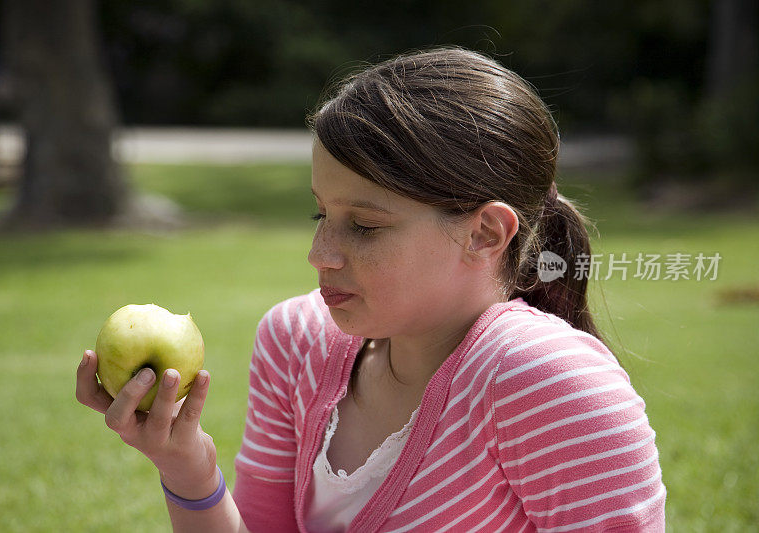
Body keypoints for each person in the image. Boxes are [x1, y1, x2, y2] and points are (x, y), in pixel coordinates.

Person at [76, 47, 666, 532]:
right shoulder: (297, 339)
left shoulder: (547, 379)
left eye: (364, 225)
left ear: (485, 232)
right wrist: (187, 466)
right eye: (320, 217)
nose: (319, 255)